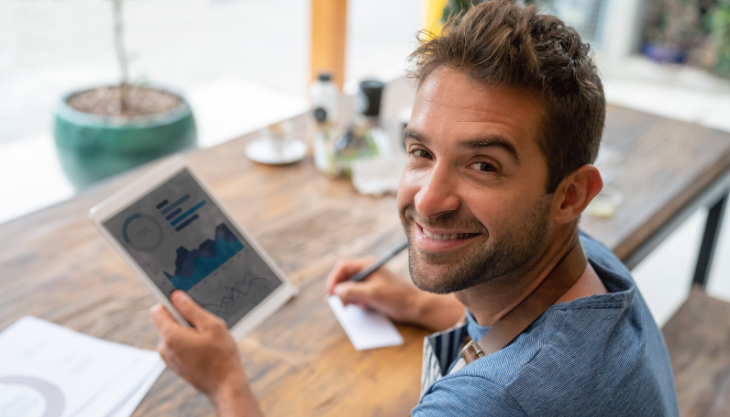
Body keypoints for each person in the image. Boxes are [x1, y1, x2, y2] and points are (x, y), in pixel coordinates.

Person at [150, 1, 680, 415]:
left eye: (484, 166)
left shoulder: (493, 401)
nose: (427, 199)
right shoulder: (593, 265)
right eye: (421, 152)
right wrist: (423, 306)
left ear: (571, 195)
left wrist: (225, 384)